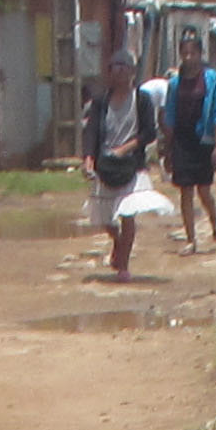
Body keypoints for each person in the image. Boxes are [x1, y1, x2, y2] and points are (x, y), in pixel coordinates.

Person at [83, 20, 164, 280]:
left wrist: (125, 149)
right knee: (104, 217)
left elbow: (149, 132)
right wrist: (88, 160)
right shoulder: (100, 101)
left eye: (122, 67)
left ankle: (124, 265)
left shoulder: (142, 100)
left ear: (131, 71)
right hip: (105, 165)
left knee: (128, 214)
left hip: (132, 165)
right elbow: (92, 131)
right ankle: (117, 241)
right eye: (113, 68)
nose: (117, 72)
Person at [160, 28, 216, 251]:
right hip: (182, 140)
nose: (189, 57)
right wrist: (168, 150)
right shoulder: (175, 84)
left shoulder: (212, 80)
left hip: (204, 140)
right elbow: (169, 117)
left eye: (193, 53)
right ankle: (191, 239)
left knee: (204, 190)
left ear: (200, 54)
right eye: (185, 53)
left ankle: (215, 221)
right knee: (185, 190)